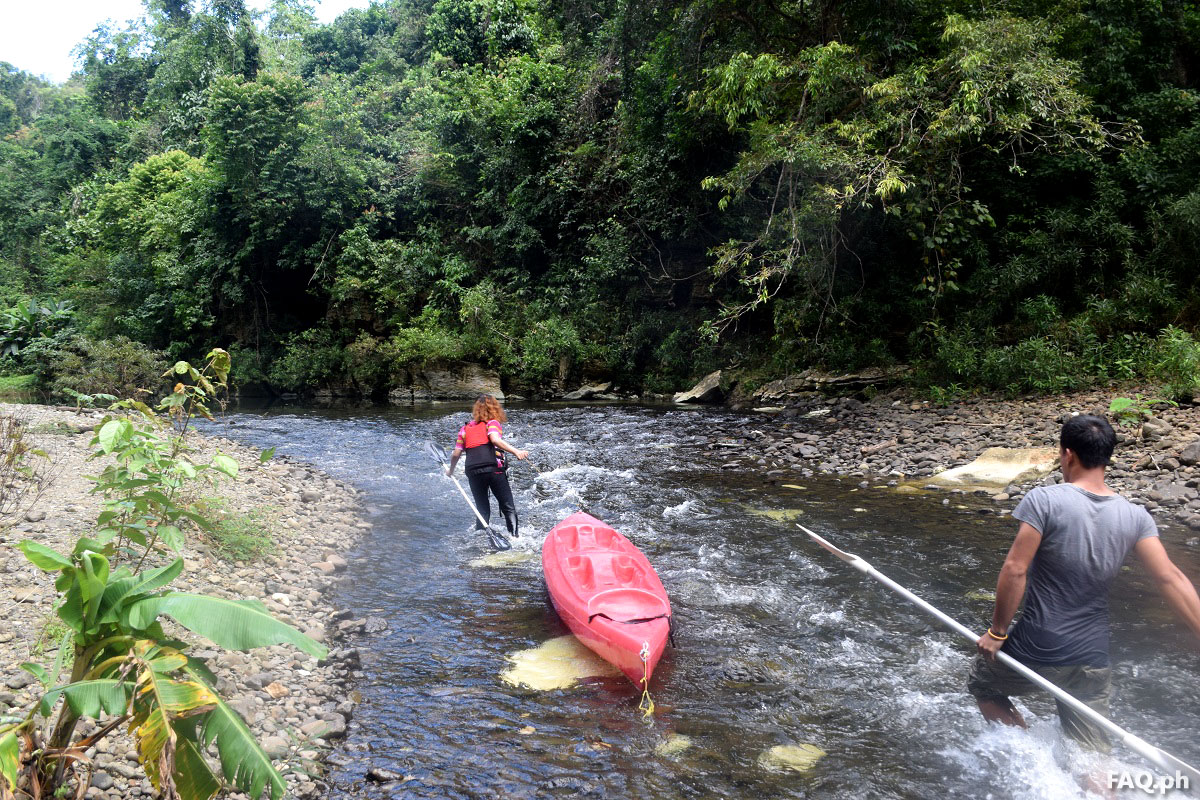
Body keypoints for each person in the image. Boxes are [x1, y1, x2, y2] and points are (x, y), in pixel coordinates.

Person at [969, 414, 1200, 755]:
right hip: (1093, 654)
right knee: (1091, 753)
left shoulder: (1044, 501)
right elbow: (1171, 577)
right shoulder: (1136, 516)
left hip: (1039, 645)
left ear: (1068, 455)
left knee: (983, 683)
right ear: (1106, 458)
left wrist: (998, 632)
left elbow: (1016, 569)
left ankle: (1031, 761)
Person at [446, 394, 528, 545]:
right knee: (507, 506)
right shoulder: (493, 423)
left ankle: (480, 541)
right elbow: (495, 439)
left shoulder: (464, 429)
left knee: (482, 508)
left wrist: (450, 470)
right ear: (495, 408)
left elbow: (456, 453)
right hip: (493, 469)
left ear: (476, 410)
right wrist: (517, 451)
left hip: (473, 472)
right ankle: (516, 539)